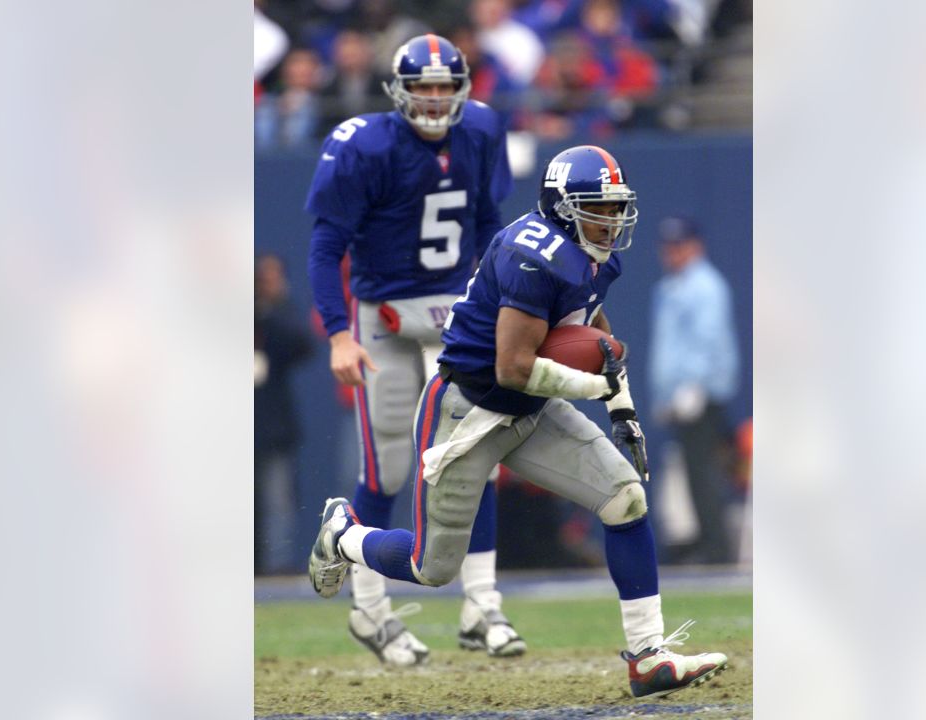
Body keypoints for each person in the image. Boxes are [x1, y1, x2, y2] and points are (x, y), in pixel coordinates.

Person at [309, 145, 729, 698]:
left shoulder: (597, 255)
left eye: (614, 206)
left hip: (530, 409)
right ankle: (344, 535)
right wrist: (594, 388)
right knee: (430, 566)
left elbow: (593, 330)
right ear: (561, 207)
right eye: (597, 208)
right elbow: (512, 367)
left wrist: (620, 404)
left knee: (625, 497)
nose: (610, 220)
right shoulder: (531, 254)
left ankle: (647, 657)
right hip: (468, 410)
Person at [306, 34, 523, 667]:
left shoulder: (481, 130)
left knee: (474, 455)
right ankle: (370, 612)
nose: (433, 99)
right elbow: (326, 248)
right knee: (389, 471)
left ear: (462, 90)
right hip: (385, 318)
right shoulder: (363, 145)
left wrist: (498, 296)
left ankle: (482, 603)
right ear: (398, 92)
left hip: (458, 313)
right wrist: (338, 332)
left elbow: (487, 221)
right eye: (422, 87)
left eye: (444, 86)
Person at [648, 216, 741, 564]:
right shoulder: (671, 287)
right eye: (668, 247)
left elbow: (707, 340)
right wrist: (665, 394)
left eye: (680, 246)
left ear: (696, 246)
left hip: (702, 396)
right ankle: (707, 543)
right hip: (679, 397)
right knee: (690, 475)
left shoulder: (705, 285)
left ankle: (718, 551)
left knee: (703, 475)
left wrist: (693, 387)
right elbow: (669, 348)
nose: (673, 253)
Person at [254, 254, 314, 574]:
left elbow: (303, 345)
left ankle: (276, 568)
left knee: (278, 501)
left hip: (273, 426)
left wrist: (268, 310)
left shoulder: (281, 315)